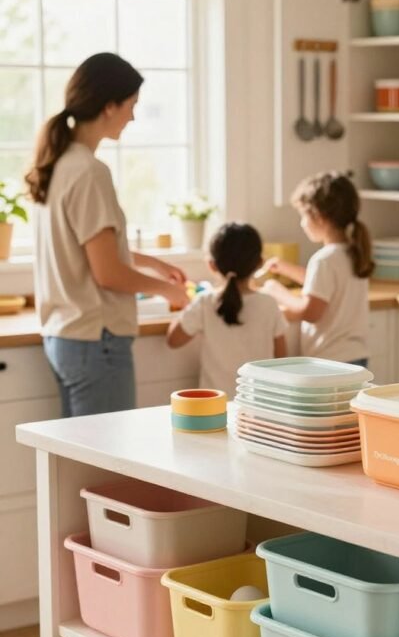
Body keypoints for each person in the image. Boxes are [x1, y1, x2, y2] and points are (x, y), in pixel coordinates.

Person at [26, 52, 190, 418]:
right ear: (109, 106)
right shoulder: (89, 172)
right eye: (131, 105)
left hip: (65, 336)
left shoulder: (58, 163)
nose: (132, 116)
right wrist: (169, 291)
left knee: (76, 466)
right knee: (105, 464)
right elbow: (107, 273)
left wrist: (154, 264)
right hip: (95, 341)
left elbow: (87, 248)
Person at [262, 171, 373, 366]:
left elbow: (310, 312)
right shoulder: (353, 253)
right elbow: (326, 286)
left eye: (303, 216)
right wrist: (286, 269)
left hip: (330, 363)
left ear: (319, 216)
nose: (302, 223)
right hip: (356, 357)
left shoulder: (324, 260)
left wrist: (276, 291)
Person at [167, 222, 287, 397]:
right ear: (260, 263)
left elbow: (173, 340)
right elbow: (283, 361)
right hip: (258, 405)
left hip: (215, 407)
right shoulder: (269, 304)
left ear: (211, 265)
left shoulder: (205, 302)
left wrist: (184, 304)